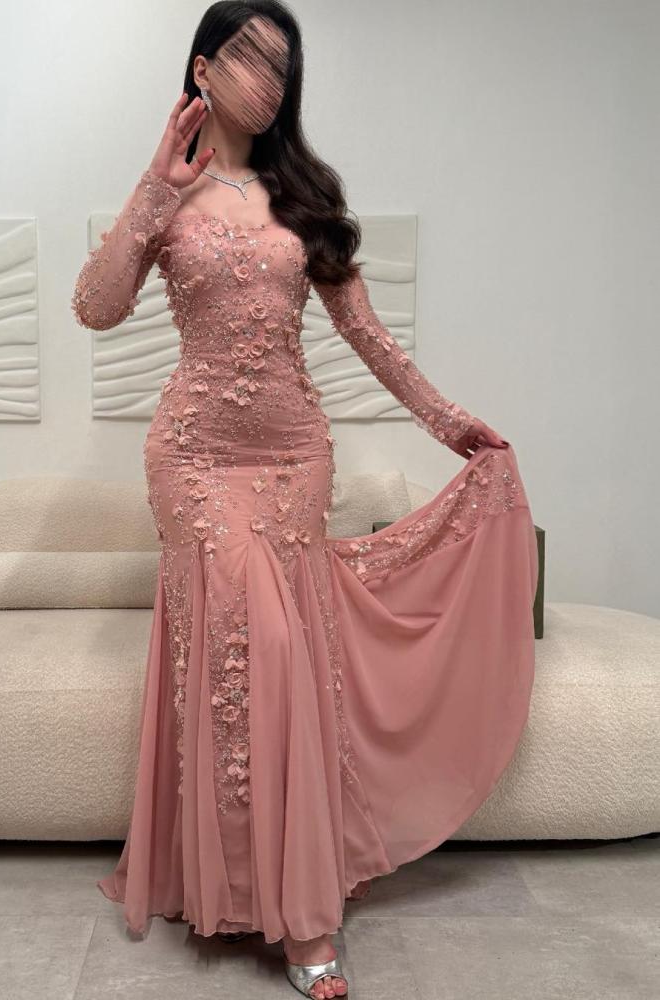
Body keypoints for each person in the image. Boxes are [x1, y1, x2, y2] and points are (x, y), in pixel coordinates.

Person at [71, 3, 538, 997]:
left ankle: (302, 911)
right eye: (251, 58)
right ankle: (252, 890)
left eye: (283, 67)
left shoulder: (303, 195)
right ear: (203, 68)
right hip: (193, 460)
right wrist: (155, 185)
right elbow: (95, 307)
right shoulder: (169, 193)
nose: (269, 81)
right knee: (242, 656)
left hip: (292, 457)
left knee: (285, 658)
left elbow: (367, 335)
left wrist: (450, 423)